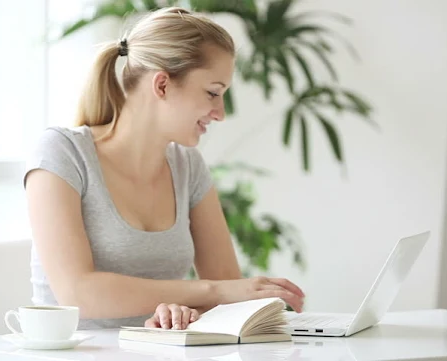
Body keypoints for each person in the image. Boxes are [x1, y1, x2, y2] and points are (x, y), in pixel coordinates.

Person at [23, 6, 305, 331]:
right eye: (213, 93)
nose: (220, 113)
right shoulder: (63, 153)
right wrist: (209, 292)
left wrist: (184, 312)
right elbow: (78, 293)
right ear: (161, 86)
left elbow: (227, 293)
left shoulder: (188, 167)